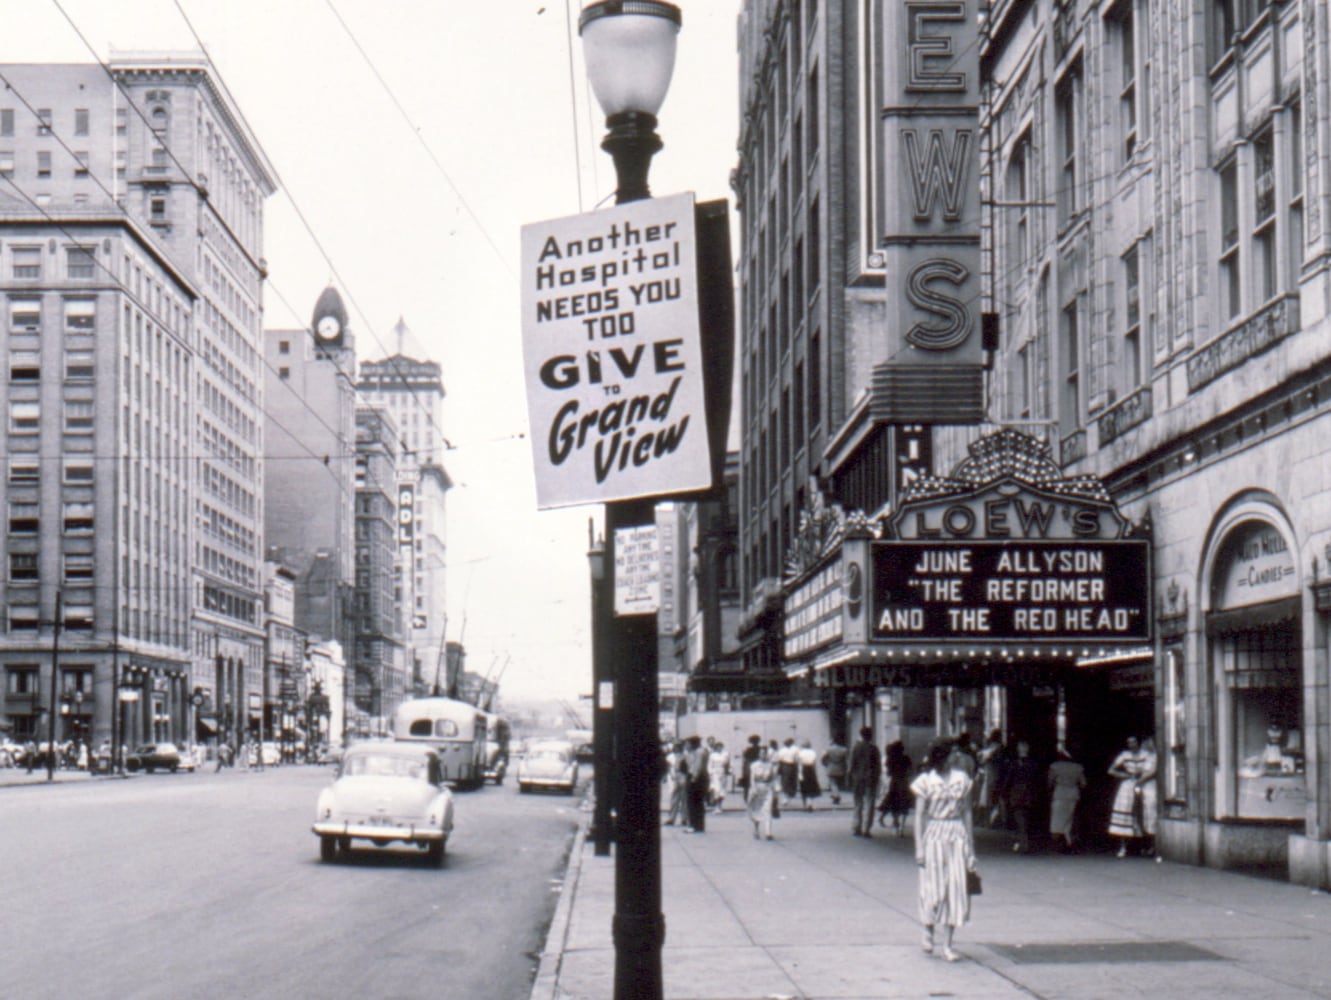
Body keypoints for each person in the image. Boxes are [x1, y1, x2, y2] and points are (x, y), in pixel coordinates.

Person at [911, 740, 977, 963]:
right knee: (933, 887)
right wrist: (919, 847)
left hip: (956, 834)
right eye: (952, 753)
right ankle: (928, 928)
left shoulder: (962, 779)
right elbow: (920, 815)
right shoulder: (926, 781)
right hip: (934, 834)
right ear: (942, 756)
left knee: (955, 888)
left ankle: (948, 944)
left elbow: (967, 812)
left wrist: (970, 847)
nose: (956, 757)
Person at [1107, 735, 1154, 857]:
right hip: (1128, 785)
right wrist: (1124, 775)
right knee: (1124, 813)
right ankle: (1123, 847)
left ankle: (1146, 845)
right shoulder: (1124, 755)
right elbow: (1111, 770)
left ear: (1138, 743)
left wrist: (1141, 774)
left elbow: (1149, 769)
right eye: (1129, 742)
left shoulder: (1146, 754)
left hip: (1144, 783)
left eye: (1133, 742)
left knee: (1144, 812)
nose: (1131, 745)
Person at [1046, 745, 1086, 852]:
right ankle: (1069, 842)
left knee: (1057, 819)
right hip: (1073, 794)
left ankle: (1058, 842)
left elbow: (1050, 781)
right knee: (1069, 819)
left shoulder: (1055, 766)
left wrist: (1050, 790)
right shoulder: (1078, 767)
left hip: (1059, 793)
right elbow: (1083, 783)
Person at [1005, 740, 1042, 853]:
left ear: (1018, 749)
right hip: (1030, 792)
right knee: (1028, 817)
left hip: (1017, 792)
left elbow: (1008, 779)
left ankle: (1022, 842)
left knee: (1018, 816)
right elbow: (1037, 779)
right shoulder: (1034, 764)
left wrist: (1004, 792)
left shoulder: (1013, 763)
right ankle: (1026, 842)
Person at [847, 726, 882, 837]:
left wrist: (850, 777)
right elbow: (878, 766)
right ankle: (867, 829)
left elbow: (852, 764)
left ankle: (857, 827)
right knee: (870, 803)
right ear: (870, 736)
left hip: (858, 779)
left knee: (858, 803)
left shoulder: (856, 748)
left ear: (861, 735)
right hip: (870, 779)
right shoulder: (874, 749)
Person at [879, 740, 914, 835]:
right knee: (904, 804)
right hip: (904, 783)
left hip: (894, 783)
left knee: (894, 804)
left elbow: (888, 773)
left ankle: (896, 824)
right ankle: (902, 826)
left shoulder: (891, 759)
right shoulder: (906, 758)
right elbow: (910, 771)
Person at [976, 729, 1007, 827]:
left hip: (989, 774)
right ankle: (997, 820)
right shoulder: (999, 748)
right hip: (996, 774)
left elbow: (981, 759)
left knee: (987, 798)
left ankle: (989, 821)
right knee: (996, 798)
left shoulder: (989, 749)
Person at [747, 745, 777, 840]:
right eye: (761, 753)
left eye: (765, 753)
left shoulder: (770, 765)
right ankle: (756, 829)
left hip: (767, 788)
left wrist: (775, 790)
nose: (763, 755)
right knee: (756, 810)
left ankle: (768, 832)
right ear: (759, 755)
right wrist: (753, 789)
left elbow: (773, 778)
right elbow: (752, 779)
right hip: (757, 788)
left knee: (767, 809)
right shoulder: (754, 765)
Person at [683, 735, 710, 833]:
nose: (686, 745)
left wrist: (694, 778)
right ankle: (699, 825)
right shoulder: (697, 752)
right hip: (700, 778)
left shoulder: (699, 752)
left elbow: (697, 766)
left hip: (697, 778)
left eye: (688, 744)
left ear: (692, 744)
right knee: (698, 802)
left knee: (693, 802)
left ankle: (693, 825)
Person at [663, 741, 687, 826]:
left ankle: (684, 818)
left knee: (684, 798)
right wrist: (670, 775)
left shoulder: (685, 756)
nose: (677, 748)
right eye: (676, 747)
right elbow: (669, 767)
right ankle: (671, 818)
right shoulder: (671, 756)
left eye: (679, 747)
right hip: (675, 777)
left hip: (683, 776)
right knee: (674, 798)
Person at [821, 737, 849, 805]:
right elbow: (846, 759)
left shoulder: (828, 749)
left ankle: (836, 796)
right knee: (838, 783)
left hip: (831, 767)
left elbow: (823, 758)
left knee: (833, 783)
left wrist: (825, 764)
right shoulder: (844, 750)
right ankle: (835, 794)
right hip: (840, 768)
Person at [797, 739, 822, 811]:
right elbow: (814, 763)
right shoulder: (813, 752)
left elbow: (799, 763)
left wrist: (799, 773)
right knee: (811, 787)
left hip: (804, 769)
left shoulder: (800, 753)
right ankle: (810, 803)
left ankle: (805, 804)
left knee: (804, 787)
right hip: (811, 770)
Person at [707, 738, 730, 814]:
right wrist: (710, 773)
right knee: (716, 790)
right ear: (716, 747)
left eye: (721, 747)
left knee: (722, 791)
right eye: (718, 747)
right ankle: (716, 806)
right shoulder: (712, 755)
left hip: (722, 773)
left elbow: (728, 764)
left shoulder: (725, 754)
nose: (719, 748)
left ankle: (720, 805)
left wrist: (728, 771)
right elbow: (710, 765)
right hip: (715, 774)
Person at [776, 738, 800, 805]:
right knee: (788, 780)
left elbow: (779, 758)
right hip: (788, 765)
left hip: (787, 765)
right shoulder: (795, 749)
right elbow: (797, 758)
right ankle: (788, 794)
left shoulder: (783, 750)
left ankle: (789, 794)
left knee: (787, 780)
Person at [738, 734, 763, 799]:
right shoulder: (760, 749)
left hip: (750, 767)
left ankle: (747, 797)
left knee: (748, 784)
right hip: (757, 767)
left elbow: (745, 759)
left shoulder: (748, 750)